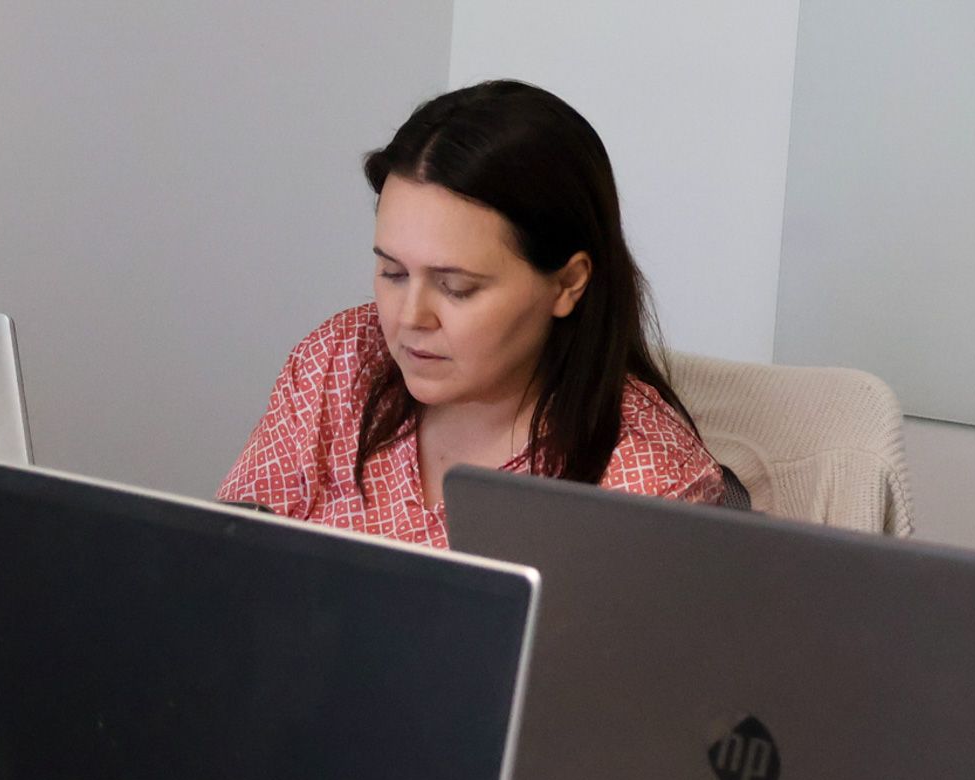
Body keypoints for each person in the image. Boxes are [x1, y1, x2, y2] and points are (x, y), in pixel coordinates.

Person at [219, 80, 723, 546]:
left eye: (456, 288)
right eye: (393, 273)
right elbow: (221, 564)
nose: (411, 317)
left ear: (568, 283)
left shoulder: (646, 485)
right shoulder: (336, 362)